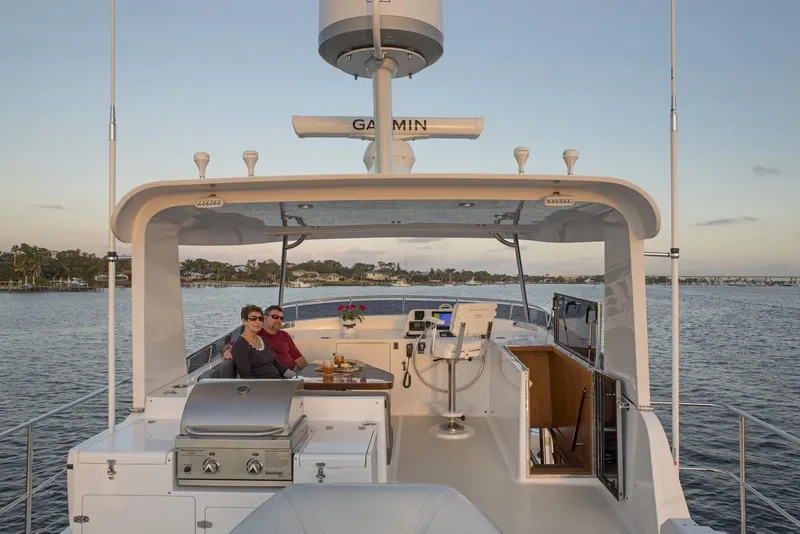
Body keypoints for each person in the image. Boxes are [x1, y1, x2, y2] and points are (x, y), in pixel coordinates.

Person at [224, 305, 308, 372]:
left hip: (292, 372)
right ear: (265, 318)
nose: (279, 320)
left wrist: (308, 374)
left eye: (281, 318)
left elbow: (298, 357)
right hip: (277, 378)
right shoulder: (256, 334)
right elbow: (231, 345)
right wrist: (226, 351)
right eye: (275, 317)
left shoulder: (284, 335)